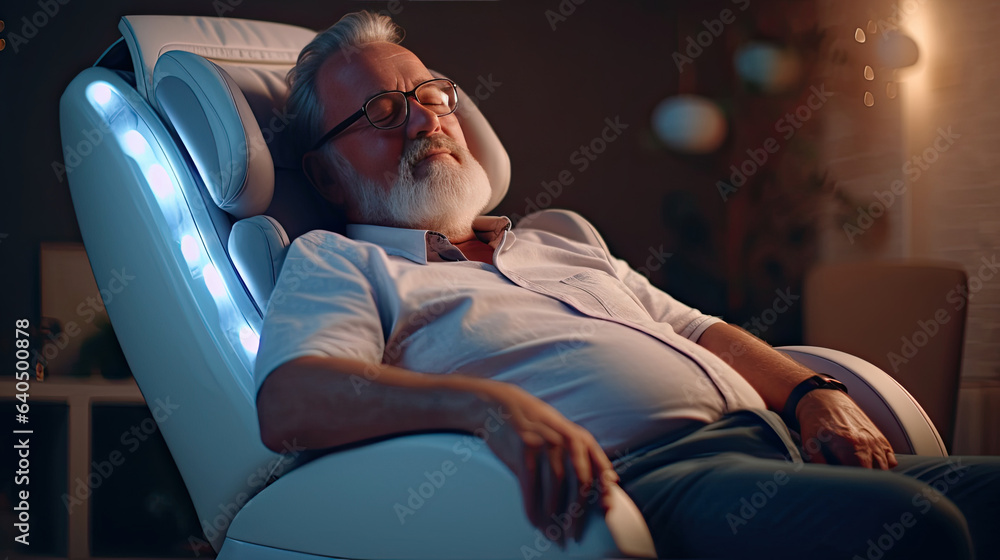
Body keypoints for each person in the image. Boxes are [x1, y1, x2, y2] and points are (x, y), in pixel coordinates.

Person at [253, 10, 999, 559]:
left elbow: (699, 330)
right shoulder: (340, 260)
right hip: (646, 488)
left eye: (433, 95)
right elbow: (290, 402)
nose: (425, 120)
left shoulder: (558, 237)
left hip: (782, 448)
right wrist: (488, 407)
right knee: (921, 527)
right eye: (384, 111)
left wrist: (812, 393)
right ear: (324, 171)